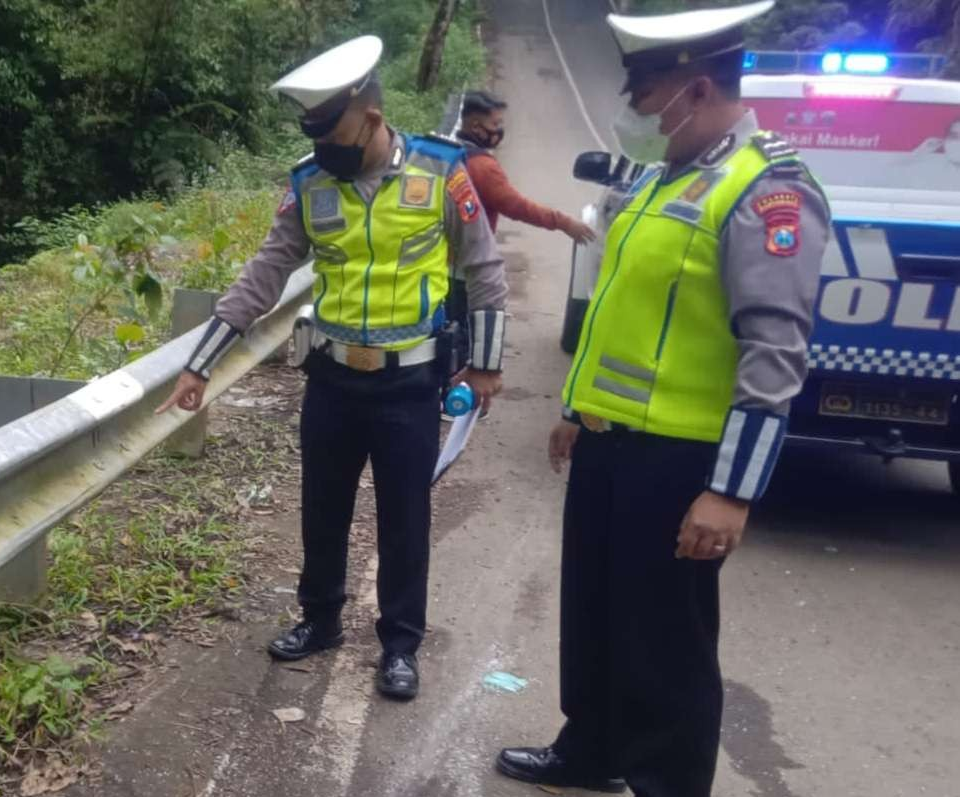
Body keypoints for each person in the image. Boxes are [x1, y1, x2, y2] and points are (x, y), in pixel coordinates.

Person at [493, 1, 831, 795]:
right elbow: (621, 310)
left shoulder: (765, 191)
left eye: (642, 97)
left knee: (667, 644)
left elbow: (775, 351)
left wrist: (731, 489)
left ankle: (665, 781)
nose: (633, 113)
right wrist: (578, 410)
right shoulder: (665, 178)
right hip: (613, 445)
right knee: (598, 615)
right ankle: (593, 750)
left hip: (680, 460)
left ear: (697, 89)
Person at [156, 35, 508, 701]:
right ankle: (320, 619)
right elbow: (265, 272)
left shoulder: (441, 172)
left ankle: (401, 643)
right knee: (323, 509)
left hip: (411, 381)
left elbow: (486, 271)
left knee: (405, 518)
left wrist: (485, 367)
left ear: (371, 118)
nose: (324, 145)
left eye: (333, 130)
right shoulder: (311, 181)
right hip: (333, 379)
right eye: (313, 132)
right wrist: (201, 362)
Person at [457, 90, 597, 245]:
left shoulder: (451, 152)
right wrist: (564, 223)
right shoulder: (483, 167)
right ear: (476, 127)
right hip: (468, 256)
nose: (498, 131)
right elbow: (517, 207)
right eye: (495, 124)